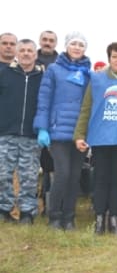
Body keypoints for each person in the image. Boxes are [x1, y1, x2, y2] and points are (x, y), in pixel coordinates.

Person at [74, 42, 117, 236]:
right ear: (109, 59)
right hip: (101, 138)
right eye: (114, 56)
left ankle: (114, 221)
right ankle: (99, 221)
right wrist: (79, 135)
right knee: (101, 180)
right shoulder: (96, 79)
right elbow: (86, 109)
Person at [33, 31, 91, 231]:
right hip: (57, 131)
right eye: (73, 43)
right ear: (66, 46)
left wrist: (87, 132)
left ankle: (69, 217)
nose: (77, 47)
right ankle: (54, 217)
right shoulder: (54, 70)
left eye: (81, 45)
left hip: (78, 133)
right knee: (62, 173)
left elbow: (89, 105)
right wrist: (42, 127)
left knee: (75, 175)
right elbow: (44, 99)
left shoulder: (88, 73)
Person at [0, 39, 43, 224]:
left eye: (29, 51)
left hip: (31, 136)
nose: (26, 54)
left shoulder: (42, 78)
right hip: (5, 133)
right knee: (3, 175)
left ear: (35, 54)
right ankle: (4, 209)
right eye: (22, 50)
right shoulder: (4, 74)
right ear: (17, 54)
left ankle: (27, 212)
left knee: (29, 176)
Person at [36, 30, 58, 217]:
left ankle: (47, 204)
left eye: (51, 40)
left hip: (52, 123)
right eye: (45, 40)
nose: (47, 43)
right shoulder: (28, 61)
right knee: (30, 167)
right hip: (31, 121)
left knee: (50, 167)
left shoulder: (60, 64)